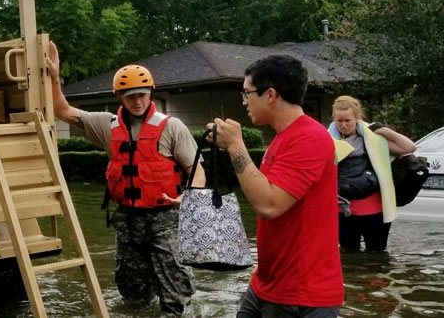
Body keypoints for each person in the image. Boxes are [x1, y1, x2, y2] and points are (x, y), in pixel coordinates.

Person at [46, 42, 204, 316]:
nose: (137, 101)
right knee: (132, 295)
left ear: (151, 93)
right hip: (127, 221)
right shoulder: (106, 125)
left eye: (142, 94)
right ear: (119, 97)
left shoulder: (172, 127)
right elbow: (61, 110)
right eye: (130, 96)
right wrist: (54, 77)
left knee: (176, 294)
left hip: (166, 218)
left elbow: (197, 171)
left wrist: (188, 197)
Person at [210, 55, 343, 317]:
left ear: (270, 94)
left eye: (247, 93)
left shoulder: (309, 138)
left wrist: (236, 145)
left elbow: (269, 205)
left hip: (302, 295)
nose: (245, 102)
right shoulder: (285, 137)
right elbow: (265, 192)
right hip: (267, 284)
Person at [328, 95, 417, 252]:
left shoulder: (373, 139)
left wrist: (384, 131)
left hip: (374, 209)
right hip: (341, 209)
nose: (343, 125)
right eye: (339, 121)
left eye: (347, 120)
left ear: (357, 118)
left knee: (377, 254)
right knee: (349, 256)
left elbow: (409, 147)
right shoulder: (327, 141)